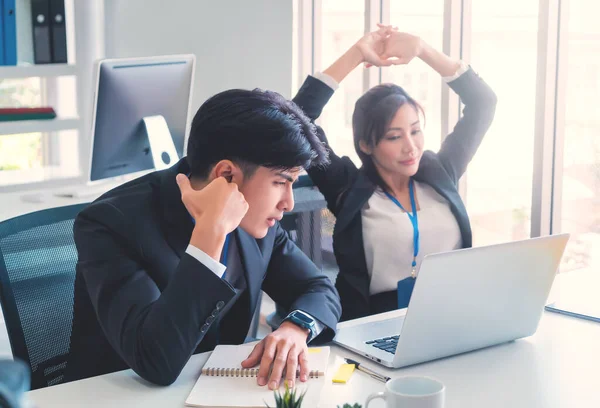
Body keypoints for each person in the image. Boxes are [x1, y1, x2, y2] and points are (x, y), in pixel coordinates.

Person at [66, 88, 341, 389]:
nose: (288, 203)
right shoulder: (112, 224)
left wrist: (296, 327)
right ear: (226, 175)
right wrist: (210, 232)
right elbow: (155, 362)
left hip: (218, 389)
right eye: (279, 183)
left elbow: (318, 286)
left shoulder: (257, 220)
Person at [292, 26, 497, 321]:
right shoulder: (348, 187)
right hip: (369, 325)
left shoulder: (440, 172)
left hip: (448, 317)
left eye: (415, 131)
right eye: (394, 137)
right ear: (366, 144)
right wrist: (356, 54)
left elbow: (483, 103)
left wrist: (423, 49)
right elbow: (295, 117)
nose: (410, 147)